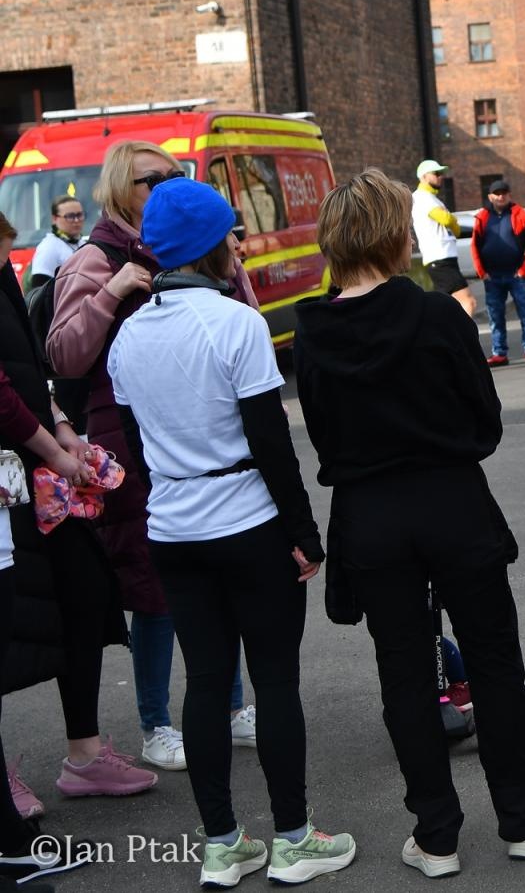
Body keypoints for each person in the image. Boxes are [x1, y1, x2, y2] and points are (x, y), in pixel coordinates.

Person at [294, 170, 525, 879]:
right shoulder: (438, 316)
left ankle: (436, 834)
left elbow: (324, 439)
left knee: (404, 674)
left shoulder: (313, 329)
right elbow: (485, 421)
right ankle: (524, 818)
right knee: (493, 662)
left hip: (370, 514)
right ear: (395, 234)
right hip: (452, 502)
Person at [108, 180, 355, 886]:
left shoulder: (128, 334)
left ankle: (221, 844)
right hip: (246, 519)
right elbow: (270, 439)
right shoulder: (236, 323)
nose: (240, 244)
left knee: (208, 681)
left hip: (174, 527)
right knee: (274, 680)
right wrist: (304, 531)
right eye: (233, 234)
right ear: (210, 247)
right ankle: (295, 838)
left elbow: (135, 441)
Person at [47, 139, 257, 773]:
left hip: (208, 425)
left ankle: (230, 704)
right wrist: (111, 291)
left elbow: (242, 322)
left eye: (174, 176)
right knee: (152, 583)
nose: (165, 187)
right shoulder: (96, 256)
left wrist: (231, 266)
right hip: (125, 437)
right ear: (118, 189)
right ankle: (156, 722)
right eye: (149, 180)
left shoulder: (196, 240)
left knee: (221, 563)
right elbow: (62, 357)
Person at [0, 210, 145, 820]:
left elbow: (32, 364)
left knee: (85, 594)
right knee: (8, 621)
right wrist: (54, 448)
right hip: (16, 470)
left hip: (37, 466)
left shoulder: (6, 275)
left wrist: (62, 428)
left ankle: (84, 753)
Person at [470, 180, 525, 368]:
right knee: (495, 316)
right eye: (496, 193)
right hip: (492, 277)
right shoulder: (482, 217)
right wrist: (481, 272)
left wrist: (524, 270)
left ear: (509, 195)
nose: (500, 196)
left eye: (504, 193)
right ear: (490, 196)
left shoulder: (520, 214)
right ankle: (499, 353)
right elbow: (475, 245)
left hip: (517, 275)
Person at [410, 160, 475, 318]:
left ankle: (443, 339)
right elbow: (446, 219)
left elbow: (455, 228)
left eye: (441, 174)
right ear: (424, 177)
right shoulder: (422, 197)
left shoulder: (432, 198)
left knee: (446, 308)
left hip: (443, 257)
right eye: (436, 174)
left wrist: (452, 221)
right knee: (468, 302)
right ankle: (463, 339)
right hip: (439, 257)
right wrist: (452, 220)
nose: (440, 177)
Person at [27, 197, 85, 289]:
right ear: (54, 219)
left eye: (79, 215)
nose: (77, 220)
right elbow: (39, 290)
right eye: (70, 216)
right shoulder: (48, 248)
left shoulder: (82, 243)